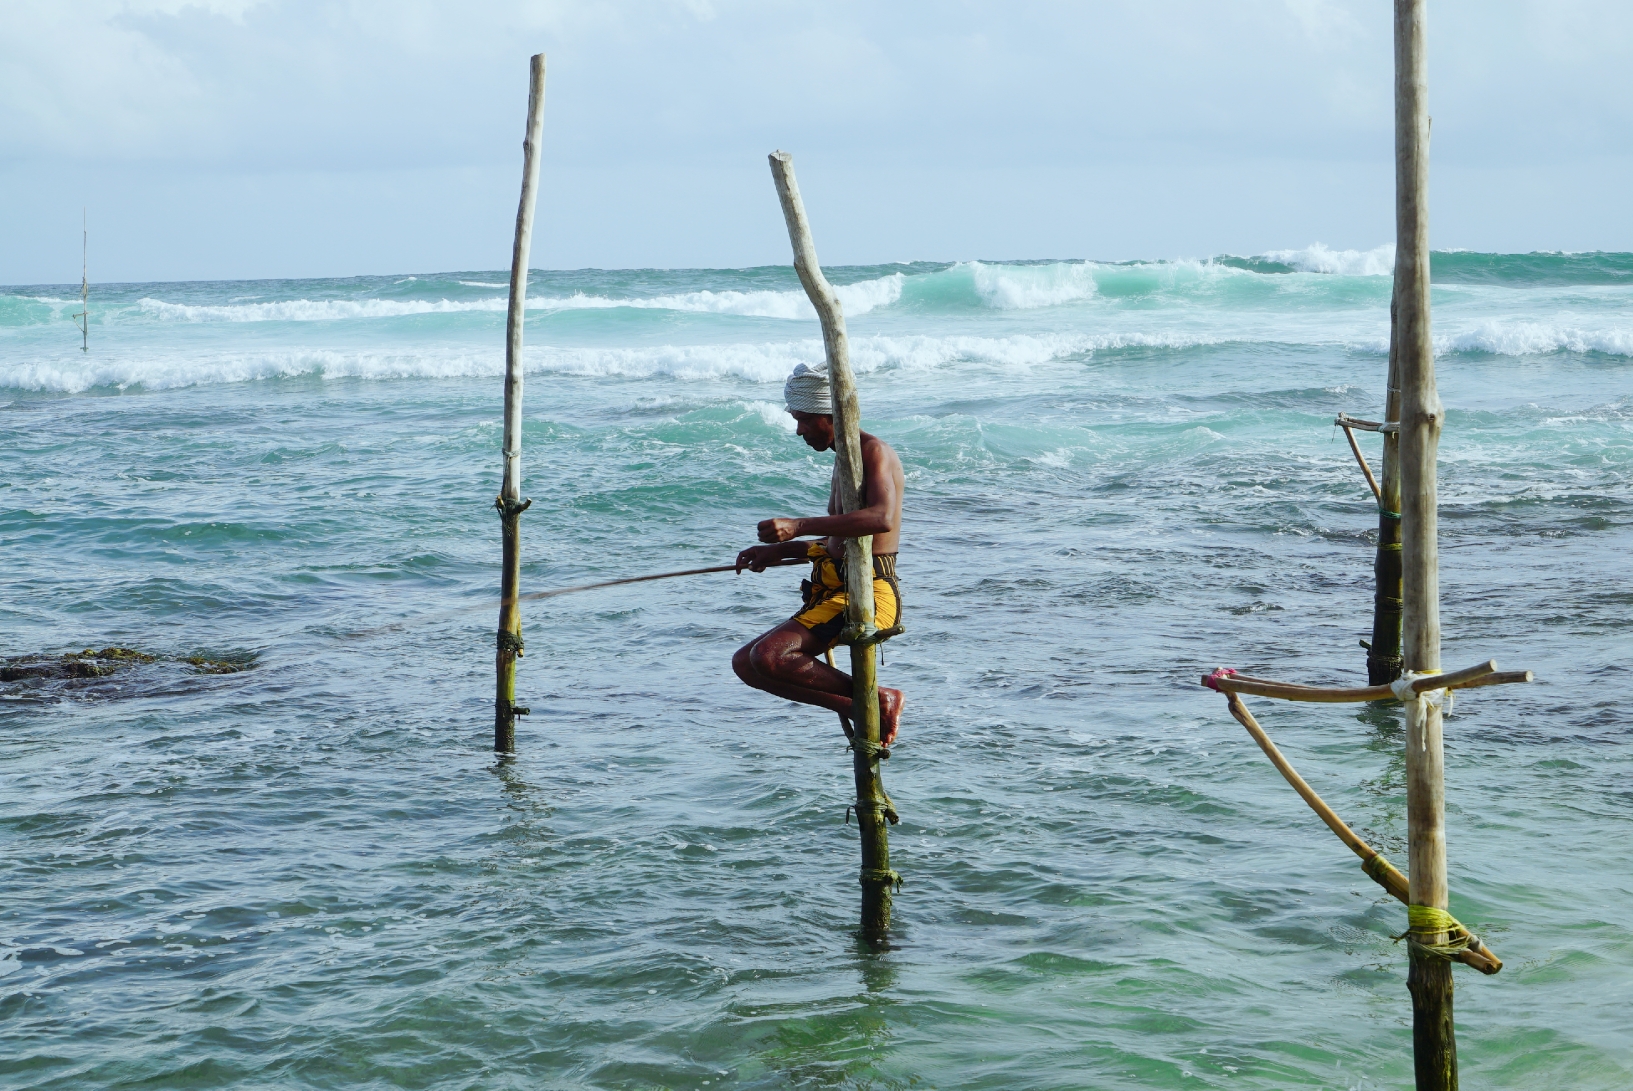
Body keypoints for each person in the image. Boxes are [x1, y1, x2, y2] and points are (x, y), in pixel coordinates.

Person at [733, 363, 907, 744]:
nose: (799, 430)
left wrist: (798, 525)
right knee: (747, 665)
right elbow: (837, 544)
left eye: (805, 420)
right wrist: (780, 551)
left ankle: (878, 698)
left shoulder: (874, 452)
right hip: (835, 589)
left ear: (832, 416)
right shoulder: (844, 459)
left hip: (869, 592)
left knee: (769, 657)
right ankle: (856, 706)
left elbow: (880, 519)